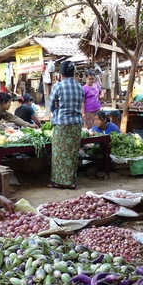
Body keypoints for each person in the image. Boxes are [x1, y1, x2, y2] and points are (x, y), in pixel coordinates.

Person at [48, 60, 84, 189]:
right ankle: (71, 182)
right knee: (72, 153)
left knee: (59, 153)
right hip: (76, 124)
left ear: (61, 73)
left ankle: (58, 181)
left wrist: (56, 112)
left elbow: (51, 105)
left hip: (62, 123)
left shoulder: (58, 86)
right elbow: (80, 104)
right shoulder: (79, 87)